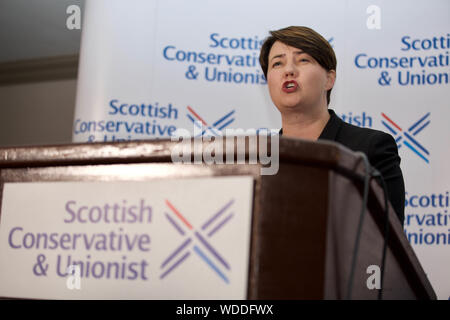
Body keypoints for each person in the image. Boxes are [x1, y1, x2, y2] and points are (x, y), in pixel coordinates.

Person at [259, 26, 405, 224]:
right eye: (277, 63)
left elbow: (386, 241)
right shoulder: (258, 160)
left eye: (303, 60)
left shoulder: (369, 149)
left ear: (329, 79)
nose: (289, 70)